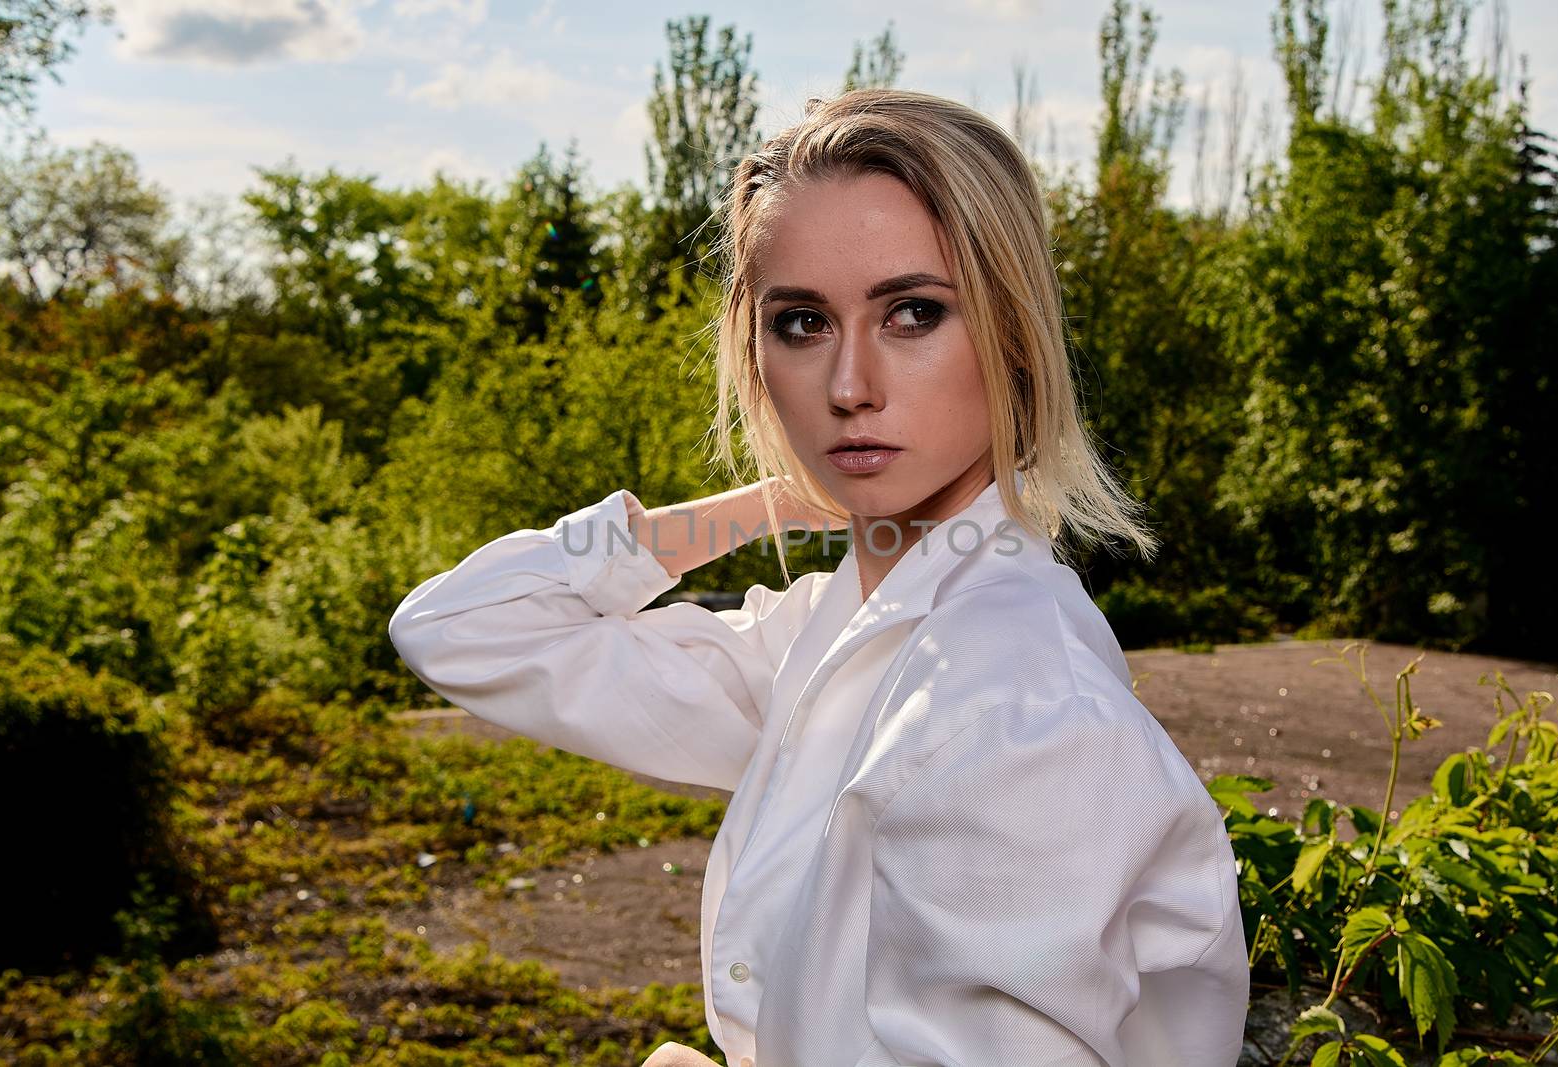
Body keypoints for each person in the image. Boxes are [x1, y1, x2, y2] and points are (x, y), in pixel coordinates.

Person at [387, 87, 1250, 1067]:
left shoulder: (1014, 711)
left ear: (1013, 336)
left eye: (912, 312)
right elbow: (460, 626)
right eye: (799, 322)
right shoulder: (832, 633)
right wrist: (761, 504)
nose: (849, 387)